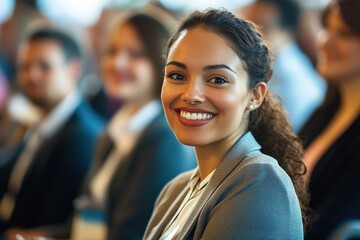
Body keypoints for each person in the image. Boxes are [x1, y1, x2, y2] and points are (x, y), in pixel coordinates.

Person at [144, 9, 307, 240]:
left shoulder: (260, 184)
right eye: (177, 76)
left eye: (217, 80)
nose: (191, 94)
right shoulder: (174, 191)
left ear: (255, 95)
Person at [65, 10, 195, 240]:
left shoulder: (164, 138)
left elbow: (135, 233)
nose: (117, 63)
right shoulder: (114, 130)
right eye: (112, 51)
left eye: (135, 54)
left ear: (161, 64)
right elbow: (84, 221)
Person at [0, 27, 104, 237]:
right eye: (25, 66)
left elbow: (49, 221)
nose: (32, 75)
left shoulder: (80, 137)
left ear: (74, 69)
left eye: (44, 67)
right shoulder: (42, 123)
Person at [299, 0, 360, 239]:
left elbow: (334, 224)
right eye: (327, 28)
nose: (326, 41)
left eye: (344, 33)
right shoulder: (325, 111)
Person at [238, 0, 326, 132]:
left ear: (287, 34)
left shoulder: (291, 78)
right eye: (248, 25)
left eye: (262, 28)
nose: (250, 37)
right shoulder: (264, 64)